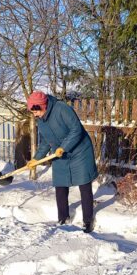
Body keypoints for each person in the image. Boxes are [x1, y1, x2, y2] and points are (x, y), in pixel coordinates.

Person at [26, 91, 98, 233]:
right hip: (60, 153)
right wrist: (36, 158)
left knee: (84, 185)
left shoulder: (62, 109)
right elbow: (46, 141)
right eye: (32, 111)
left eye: (36, 111)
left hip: (80, 150)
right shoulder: (41, 121)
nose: (35, 114)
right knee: (60, 185)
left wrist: (64, 147)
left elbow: (76, 129)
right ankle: (63, 218)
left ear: (44, 105)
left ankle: (88, 220)